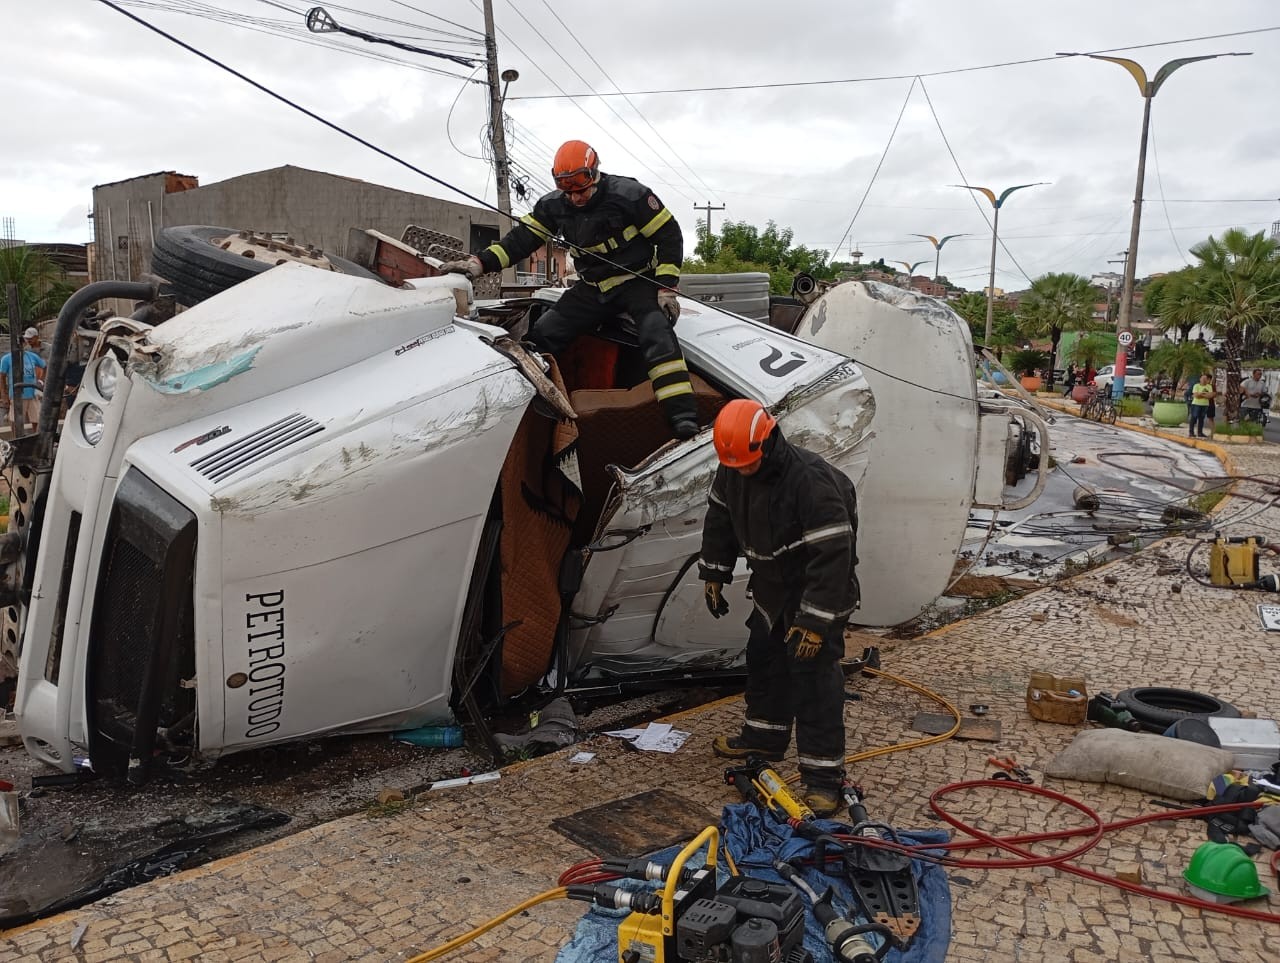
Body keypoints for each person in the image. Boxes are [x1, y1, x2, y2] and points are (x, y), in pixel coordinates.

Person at [443, 140, 699, 439]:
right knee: (543, 335)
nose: (576, 197)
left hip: (638, 284)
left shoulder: (631, 196)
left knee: (658, 336)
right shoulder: (553, 206)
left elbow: (670, 236)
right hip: (592, 288)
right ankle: (514, 407)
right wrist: (480, 263)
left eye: (581, 188)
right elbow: (520, 241)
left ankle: (683, 418)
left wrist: (666, 286)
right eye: (568, 190)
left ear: (595, 173)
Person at [698, 399, 860, 817]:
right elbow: (719, 520)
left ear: (768, 440)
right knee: (765, 660)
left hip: (817, 587)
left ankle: (824, 778)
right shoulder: (733, 469)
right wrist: (713, 573)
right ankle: (764, 738)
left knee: (813, 679)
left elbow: (833, 555)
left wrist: (816, 622)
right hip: (771, 588)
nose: (743, 470)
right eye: (735, 464)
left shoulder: (811, 481)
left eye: (749, 462)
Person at [0, 330, 46, 432]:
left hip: (33, 394)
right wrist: (4, 395)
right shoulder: (6, 359)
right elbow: (2, 377)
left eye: (21, 344)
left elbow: (45, 367)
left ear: (24, 344)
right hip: (17, 395)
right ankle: (18, 442)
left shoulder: (32, 356)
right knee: (16, 421)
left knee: (37, 420)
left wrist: (40, 381)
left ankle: (36, 442)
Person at [1189, 373, 1213, 438]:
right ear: (1200, 379)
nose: (1204, 380)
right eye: (1203, 378)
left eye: (1205, 378)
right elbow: (1196, 396)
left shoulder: (1209, 386)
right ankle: (1191, 432)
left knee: (1201, 419)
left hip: (1205, 405)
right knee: (1194, 418)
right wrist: (1204, 395)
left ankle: (1200, 433)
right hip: (1196, 404)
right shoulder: (1196, 386)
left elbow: (1210, 396)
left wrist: (1200, 394)